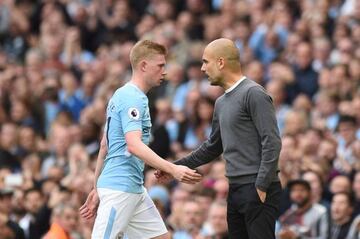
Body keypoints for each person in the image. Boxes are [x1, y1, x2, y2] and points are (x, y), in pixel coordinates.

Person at [156, 38, 282, 238]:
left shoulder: (254, 93)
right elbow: (213, 146)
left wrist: (262, 184)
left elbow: (272, 141)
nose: (203, 69)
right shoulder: (221, 102)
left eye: (206, 62)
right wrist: (174, 167)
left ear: (221, 62)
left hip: (256, 186)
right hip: (235, 188)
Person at [79, 40, 202, 239]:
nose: (164, 71)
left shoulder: (123, 94)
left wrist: (96, 188)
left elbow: (105, 146)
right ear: (144, 65)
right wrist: (173, 169)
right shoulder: (132, 98)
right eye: (160, 65)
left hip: (133, 187)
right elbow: (134, 145)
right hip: (119, 188)